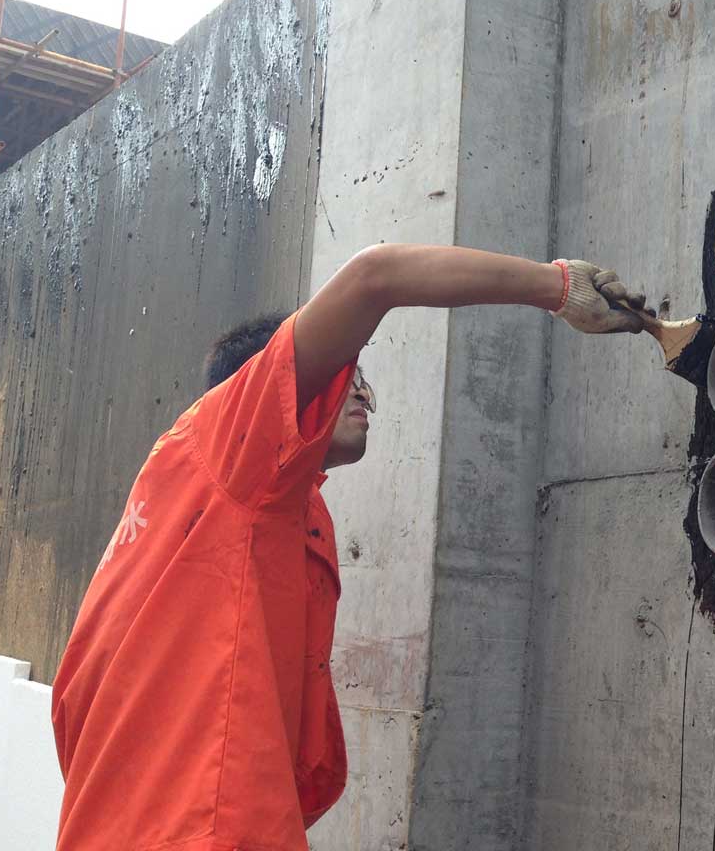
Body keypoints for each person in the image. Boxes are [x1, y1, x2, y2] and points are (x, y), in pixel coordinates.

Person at [49, 247, 646, 850]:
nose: (361, 394)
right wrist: (559, 287)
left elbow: (73, 703)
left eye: (360, 379)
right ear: (266, 387)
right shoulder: (233, 443)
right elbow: (375, 276)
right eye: (341, 373)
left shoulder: (210, 506)